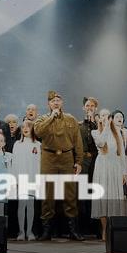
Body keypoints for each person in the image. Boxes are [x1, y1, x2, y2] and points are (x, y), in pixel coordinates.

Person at [33, 90, 84, 241]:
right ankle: (47, 231)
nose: (56, 103)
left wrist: (79, 161)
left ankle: (73, 231)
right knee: (48, 195)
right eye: (53, 101)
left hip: (67, 157)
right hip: (49, 158)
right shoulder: (42, 119)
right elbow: (38, 132)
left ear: (62, 103)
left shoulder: (71, 119)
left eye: (58, 100)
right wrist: (51, 117)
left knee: (70, 195)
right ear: (49, 104)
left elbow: (78, 142)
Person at [90, 108, 127, 239]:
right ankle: (104, 230)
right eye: (103, 115)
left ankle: (114, 229)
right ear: (99, 118)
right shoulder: (95, 132)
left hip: (115, 166)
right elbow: (101, 143)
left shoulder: (118, 132)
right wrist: (106, 127)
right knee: (103, 197)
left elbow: (122, 153)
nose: (105, 117)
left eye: (107, 116)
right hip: (102, 166)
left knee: (114, 196)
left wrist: (124, 172)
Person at [11, 120, 41, 240]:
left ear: (33, 129)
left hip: (33, 178)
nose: (25, 128)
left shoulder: (38, 145)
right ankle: (21, 232)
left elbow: (39, 164)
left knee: (31, 205)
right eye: (23, 127)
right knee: (22, 204)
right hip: (21, 178)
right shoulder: (17, 144)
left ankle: (30, 232)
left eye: (28, 126)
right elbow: (14, 163)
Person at [77, 97, 100, 237]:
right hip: (83, 162)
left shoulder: (99, 125)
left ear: (95, 108)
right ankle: (83, 228)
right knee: (83, 195)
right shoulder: (79, 126)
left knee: (95, 193)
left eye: (92, 106)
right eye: (87, 105)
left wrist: (94, 123)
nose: (89, 107)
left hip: (97, 161)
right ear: (83, 108)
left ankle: (96, 228)